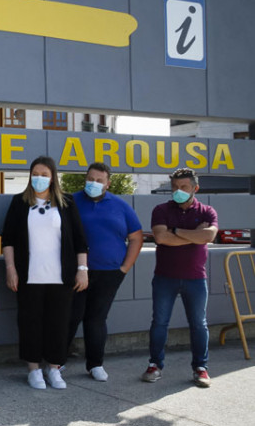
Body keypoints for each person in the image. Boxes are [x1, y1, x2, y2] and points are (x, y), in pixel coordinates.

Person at [2, 156, 87, 390]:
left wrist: (82, 270)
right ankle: (33, 370)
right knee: (30, 323)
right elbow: (7, 240)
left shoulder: (66, 202)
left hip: (62, 277)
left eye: (44, 174)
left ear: (53, 178)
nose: (39, 178)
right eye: (35, 174)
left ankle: (54, 369)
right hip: (29, 276)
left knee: (58, 324)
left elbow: (80, 240)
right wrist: (11, 269)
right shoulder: (20, 203)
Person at [142, 168, 218, 388]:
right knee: (159, 323)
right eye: (175, 187)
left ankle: (200, 368)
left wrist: (176, 232)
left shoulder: (207, 211)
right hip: (165, 278)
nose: (178, 191)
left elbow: (209, 235)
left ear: (195, 188)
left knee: (199, 324)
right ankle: (155, 365)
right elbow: (161, 237)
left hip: (195, 279)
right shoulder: (161, 210)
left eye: (184, 187)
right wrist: (194, 234)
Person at [67, 163, 142, 382]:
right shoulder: (71, 202)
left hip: (110, 273)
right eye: (91, 179)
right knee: (71, 317)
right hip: (76, 272)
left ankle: (95, 364)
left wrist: (124, 268)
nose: (94, 183)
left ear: (108, 183)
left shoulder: (121, 206)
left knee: (96, 319)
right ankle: (57, 362)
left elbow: (136, 237)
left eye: (99, 180)